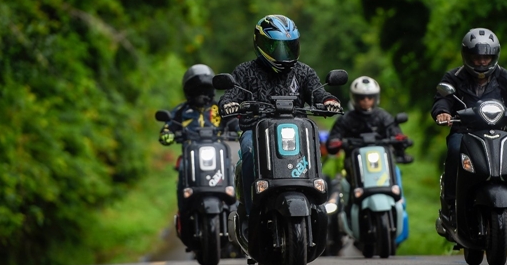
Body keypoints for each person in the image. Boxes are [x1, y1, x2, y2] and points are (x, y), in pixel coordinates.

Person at [218, 14, 342, 215]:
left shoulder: (303, 72)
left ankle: (316, 202)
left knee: (315, 145)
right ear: (262, 45)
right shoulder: (245, 71)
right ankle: (251, 211)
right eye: (278, 47)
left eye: (289, 46)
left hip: (295, 132)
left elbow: (317, 92)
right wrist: (229, 104)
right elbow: (231, 95)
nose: (284, 53)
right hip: (256, 131)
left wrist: (329, 101)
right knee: (248, 150)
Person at [431, 28, 507, 222]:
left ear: (494, 56)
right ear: (467, 56)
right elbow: (443, 99)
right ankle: (451, 203)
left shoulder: (505, 77)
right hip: (464, 132)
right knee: (455, 150)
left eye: (486, 57)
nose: (482, 61)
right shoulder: (453, 77)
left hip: (498, 132)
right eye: (477, 57)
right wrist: (443, 112)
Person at [158, 64, 238, 216]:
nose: (201, 94)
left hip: (217, 152)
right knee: (182, 166)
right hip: (191, 154)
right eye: (196, 90)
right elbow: (169, 126)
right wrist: (167, 134)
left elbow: (232, 121)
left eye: (205, 89)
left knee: (229, 165)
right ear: (189, 92)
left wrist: (239, 129)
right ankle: (184, 210)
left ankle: (233, 204)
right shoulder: (182, 110)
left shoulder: (219, 108)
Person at [326, 76, 412, 188]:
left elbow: (395, 132)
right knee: (343, 184)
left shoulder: (383, 116)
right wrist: (336, 142)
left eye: (370, 97)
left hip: (382, 160)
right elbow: (333, 138)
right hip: (354, 162)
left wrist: (400, 140)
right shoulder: (346, 119)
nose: (366, 100)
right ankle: (348, 195)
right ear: (355, 98)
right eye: (362, 97)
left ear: (375, 98)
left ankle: (397, 195)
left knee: (396, 171)